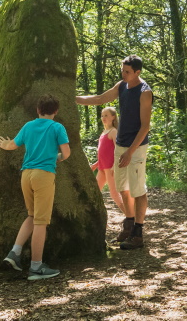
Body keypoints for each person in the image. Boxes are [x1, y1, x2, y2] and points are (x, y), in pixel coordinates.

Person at [77, 55, 153, 250]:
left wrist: (130, 152)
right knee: (122, 187)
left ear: (138, 72)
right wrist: (74, 99)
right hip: (121, 145)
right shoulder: (122, 85)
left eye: (127, 71)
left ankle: (138, 233)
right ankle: (128, 225)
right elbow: (101, 98)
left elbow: (145, 127)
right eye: (122, 70)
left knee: (137, 190)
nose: (123, 74)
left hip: (136, 147)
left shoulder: (145, 92)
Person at [0, 94, 70, 280]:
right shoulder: (57, 127)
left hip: (26, 175)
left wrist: (4, 144)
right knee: (41, 222)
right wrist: (56, 157)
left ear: (38, 110)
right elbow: (66, 153)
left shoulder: (28, 126)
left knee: (32, 215)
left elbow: (12, 145)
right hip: (43, 175)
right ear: (56, 111)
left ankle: (15, 252)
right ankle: (36, 267)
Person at [90, 106, 128, 217]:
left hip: (110, 168)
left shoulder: (113, 131)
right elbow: (103, 154)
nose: (103, 118)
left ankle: (131, 218)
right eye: (102, 115)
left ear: (113, 117)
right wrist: (95, 165)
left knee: (115, 195)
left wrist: (114, 166)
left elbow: (118, 150)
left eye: (106, 115)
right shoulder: (104, 133)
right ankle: (99, 218)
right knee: (95, 192)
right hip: (102, 168)